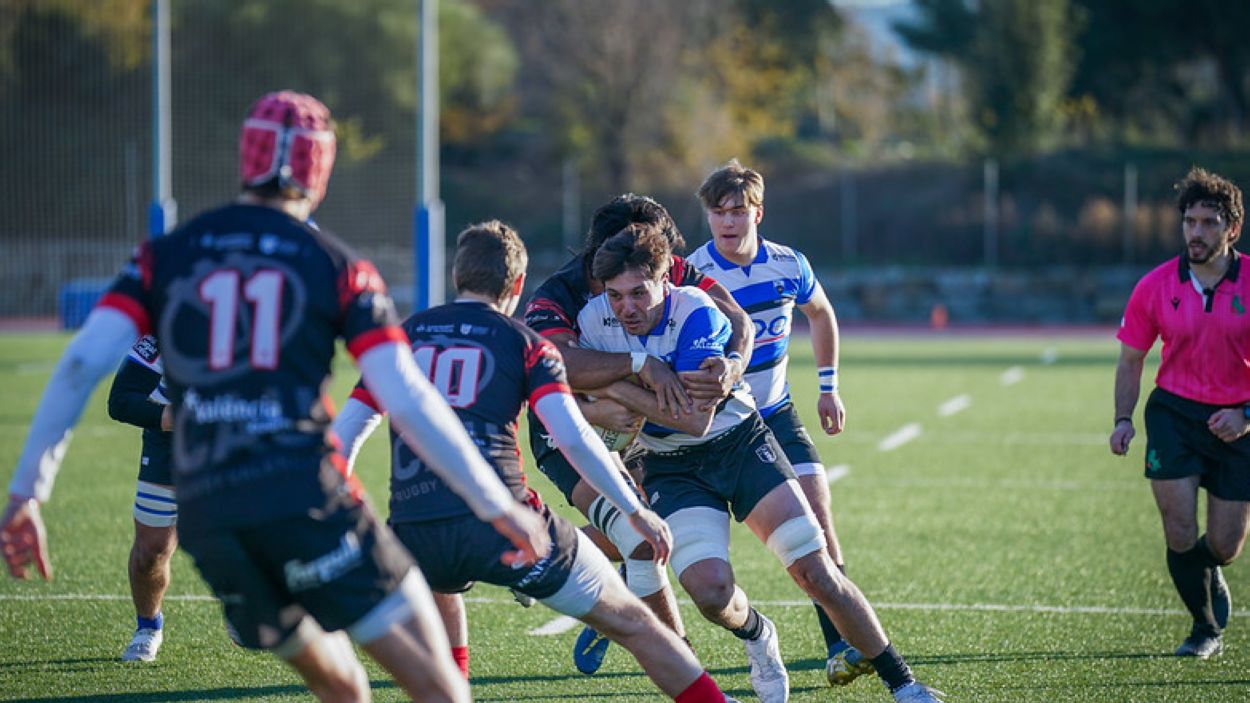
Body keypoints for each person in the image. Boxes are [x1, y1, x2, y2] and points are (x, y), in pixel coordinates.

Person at [0, 90, 550, 703]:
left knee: (340, 683)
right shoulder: (337, 265)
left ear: (245, 158)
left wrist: (26, 492)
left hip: (210, 515)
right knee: (439, 683)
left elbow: (80, 363)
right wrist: (493, 504)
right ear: (321, 174)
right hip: (303, 501)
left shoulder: (166, 254)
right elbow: (409, 398)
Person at [331, 220, 734, 702]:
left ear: (458, 275)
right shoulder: (524, 343)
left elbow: (345, 436)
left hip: (416, 523)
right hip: (510, 525)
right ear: (517, 285)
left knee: (441, 587)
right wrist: (634, 509)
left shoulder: (403, 336)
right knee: (634, 624)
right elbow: (574, 438)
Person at [577, 223, 944, 703]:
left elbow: (695, 419)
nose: (625, 308)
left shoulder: (696, 312)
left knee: (816, 570)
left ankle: (904, 684)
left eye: (638, 293)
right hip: (671, 468)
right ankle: (757, 634)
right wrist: (641, 371)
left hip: (739, 443)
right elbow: (568, 376)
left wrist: (613, 389)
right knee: (709, 594)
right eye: (615, 295)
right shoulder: (592, 319)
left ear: (665, 279)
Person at [522, 193, 754, 673]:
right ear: (604, 252)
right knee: (641, 540)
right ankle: (688, 674)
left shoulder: (660, 268)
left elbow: (737, 319)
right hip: (568, 432)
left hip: (641, 430)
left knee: (648, 535)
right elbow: (557, 365)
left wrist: (731, 366)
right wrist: (636, 366)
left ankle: (546, 559)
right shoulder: (559, 294)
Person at [687, 159, 868, 685]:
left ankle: (841, 646)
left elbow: (822, 312)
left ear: (757, 212)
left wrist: (829, 388)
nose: (727, 221)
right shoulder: (692, 276)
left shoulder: (789, 264)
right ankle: (620, 600)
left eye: (737, 210)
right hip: (722, 427)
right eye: (717, 211)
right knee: (678, 542)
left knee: (819, 518)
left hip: (778, 412)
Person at [1110, 166, 1250, 659]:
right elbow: (1131, 359)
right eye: (1190, 221)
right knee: (1179, 529)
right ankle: (1203, 628)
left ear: (1232, 229)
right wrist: (1123, 419)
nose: (1196, 232)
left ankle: (1208, 571)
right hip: (1174, 414)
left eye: (1209, 223)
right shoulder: (1155, 285)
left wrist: (1246, 413)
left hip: (1238, 420)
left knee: (1227, 544)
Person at [106, 334, 178, 662]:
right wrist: (174, 418)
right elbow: (121, 399)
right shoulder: (172, 321)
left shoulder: (265, 318)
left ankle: (247, 605)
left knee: (253, 532)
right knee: (152, 550)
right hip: (173, 441)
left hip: (242, 439)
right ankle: (148, 626)